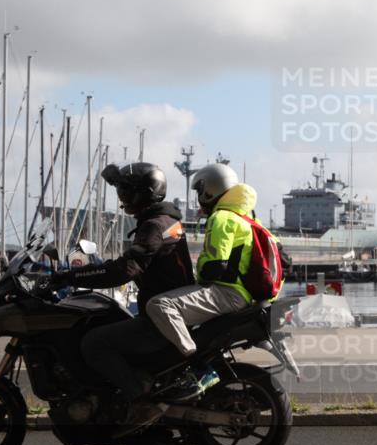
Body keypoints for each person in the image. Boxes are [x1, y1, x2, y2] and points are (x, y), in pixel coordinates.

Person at [50, 162, 194, 426]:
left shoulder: (154, 226)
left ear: (145, 194)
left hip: (160, 320)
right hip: (167, 312)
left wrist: (72, 276)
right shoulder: (165, 221)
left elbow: (124, 270)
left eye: (127, 193)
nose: (122, 199)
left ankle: (140, 400)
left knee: (94, 343)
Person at [146, 163, 258, 360]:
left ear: (210, 190)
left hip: (227, 292)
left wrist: (200, 279)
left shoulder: (221, 217)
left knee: (159, 305)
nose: (199, 197)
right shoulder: (245, 217)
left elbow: (217, 266)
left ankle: (190, 359)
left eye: (200, 190)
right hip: (242, 293)